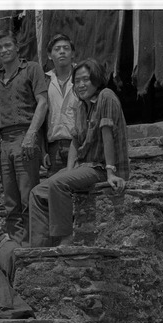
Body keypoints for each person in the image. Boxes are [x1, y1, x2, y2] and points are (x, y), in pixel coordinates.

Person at [29, 59, 129, 247]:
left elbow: (107, 134)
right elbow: (75, 140)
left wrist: (110, 172)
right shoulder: (80, 105)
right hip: (83, 166)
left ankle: (65, 237)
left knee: (58, 183)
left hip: (100, 167)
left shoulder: (106, 96)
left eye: (86, 80)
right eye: (78, 81)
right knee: (38, 192)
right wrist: (69, 169)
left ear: (97, 80)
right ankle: (39, 246)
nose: (82, 85)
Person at [0, 29, 49, 246]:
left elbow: (43, 102)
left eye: (7, 45)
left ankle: (36, 246)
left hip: (26, 136)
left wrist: (31, 135)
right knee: (10, 201)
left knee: (28, 196)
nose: (4, 50)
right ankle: (17, 247)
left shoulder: (31, 69)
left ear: (16, 47)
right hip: (5, 142)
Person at [44, 33, 79, 176]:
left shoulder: (82, 76)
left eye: (66, 48)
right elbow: (41, 117)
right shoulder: (45, 80)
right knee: (55, 192)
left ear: (73, 54)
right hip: (54, 148)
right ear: (49, 55)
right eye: (57, 49)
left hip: (78, 144)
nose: (62, 51)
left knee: (79, 191)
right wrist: (43, 150)